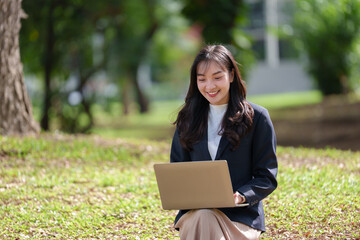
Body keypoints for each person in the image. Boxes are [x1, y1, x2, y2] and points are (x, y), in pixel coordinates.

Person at [170, 44, 278, 240]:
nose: (209, 86)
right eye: (202, 79)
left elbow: (267, 176)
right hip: (196, 215)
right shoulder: (187, 119)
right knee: (204, 215)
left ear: (232, 75)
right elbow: (178, 170)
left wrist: (242, 196)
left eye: (217, 77)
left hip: (240, 217)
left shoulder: (258, 118)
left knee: (206, 219)